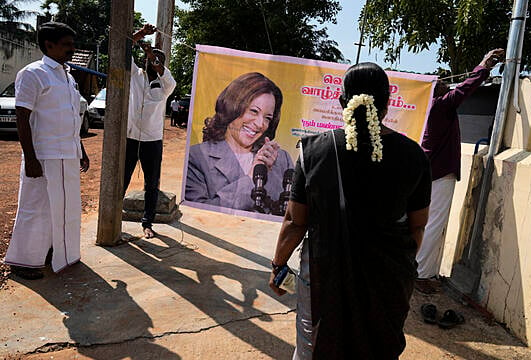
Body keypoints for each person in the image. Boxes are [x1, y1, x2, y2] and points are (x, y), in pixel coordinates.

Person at [269, 62, 432, 359]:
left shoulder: (314, 150)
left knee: (315, 348)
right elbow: (417, 226)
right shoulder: (414, 156)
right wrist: (397, 264)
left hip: (323, 275)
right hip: (389, 280)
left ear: (343, 102)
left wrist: (279, 265)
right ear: (387, 105)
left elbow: (295, 222)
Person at [3, 22, 90, 279]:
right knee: (36, 208)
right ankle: (23, 261)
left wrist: (81, 148)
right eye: (66, 45)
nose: (71, 50)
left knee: (65, 207)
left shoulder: (67, 75)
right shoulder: (33, 73)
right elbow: (22, 117)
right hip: (43, 155)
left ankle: (57, 251)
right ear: (48, 45)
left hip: (67, 154)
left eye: (72, 45)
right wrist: (30, 158)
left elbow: (71, 117)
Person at [415, 48, 505, 294]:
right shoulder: (440, 106)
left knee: (429, 224)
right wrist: (483, 65)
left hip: (429, 172)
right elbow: (465, 88)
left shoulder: (430, 109)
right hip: (440, 173)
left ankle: (425, 271)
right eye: (440, 83)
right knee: (434, 224)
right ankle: (421, 275)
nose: (445, 84)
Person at [185, 72, 294, 213]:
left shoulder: (282, 159)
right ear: (232, 106)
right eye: (254, 111)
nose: (260, 124)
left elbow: (291, 213)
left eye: (268, 118)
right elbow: (197, 214)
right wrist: (251, 180)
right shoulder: (196, 157)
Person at [124, 24, 177, 239]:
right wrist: (140, 34)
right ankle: (113, 218)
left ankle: (148, 223)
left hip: (152, 141)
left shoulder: (166, 84)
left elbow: (164, 73)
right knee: (122, 179)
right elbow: (123, 46)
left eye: (156, 60)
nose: (152, 62)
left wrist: (151, 54)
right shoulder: (135, 75)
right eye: (149, 58)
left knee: (151, 185)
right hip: (130, 138)